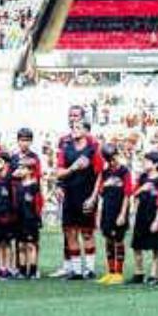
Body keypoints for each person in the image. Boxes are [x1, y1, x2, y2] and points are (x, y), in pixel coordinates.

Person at [55, 118, 103, 280]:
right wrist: (73, 168)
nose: (74, 129)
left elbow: (99, 174)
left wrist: (93, 197)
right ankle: (75, 271)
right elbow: (59, 173)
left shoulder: (93, 150)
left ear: (85, 130)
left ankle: (89, 269)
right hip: (70, 196)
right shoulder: (65, 149)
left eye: (78, 127)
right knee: (70, 232)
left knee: (87, 232)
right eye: (72, 127)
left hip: (86, 196)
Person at [93, 143, 132, 286]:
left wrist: (123, 213)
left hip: (119, 210)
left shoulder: (124, 172)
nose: (112, 161)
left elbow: (128, 194)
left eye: (114, 157)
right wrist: (98, 215)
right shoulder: (105, 173)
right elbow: (101, 193)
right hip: (107, 211)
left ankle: (119, 273)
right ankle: (110, 272)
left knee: (118, 240)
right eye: (109, 159)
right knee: (108, 240)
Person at [128, 151, 158, 287]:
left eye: (147, 161)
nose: (144, 163)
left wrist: (157, 220)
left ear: (156, 164)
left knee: (155, 247)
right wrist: (142, 189)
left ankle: (154, 275)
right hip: (141, 214)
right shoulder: (143, 177)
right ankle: (139, 272)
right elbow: (134, 193)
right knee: (136, 245)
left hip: (154, 215)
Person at [0, 152, 18, 279]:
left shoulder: (11, 179)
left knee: (9, 242)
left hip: (8, 215)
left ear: (7, 164)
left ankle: (11, 266)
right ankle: (1, 266)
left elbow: (15, 197)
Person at [16, 156, 43, 280]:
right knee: (21, 245)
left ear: (31, 170)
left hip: (30, 220)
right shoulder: (18, 185)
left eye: (23, 168)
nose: (20, 170)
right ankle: (22, 270)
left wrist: (37, 218)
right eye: (19, 167)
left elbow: (38, 204)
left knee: (31, 245)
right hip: (19, 219)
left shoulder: (34, 186)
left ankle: (32, 270)